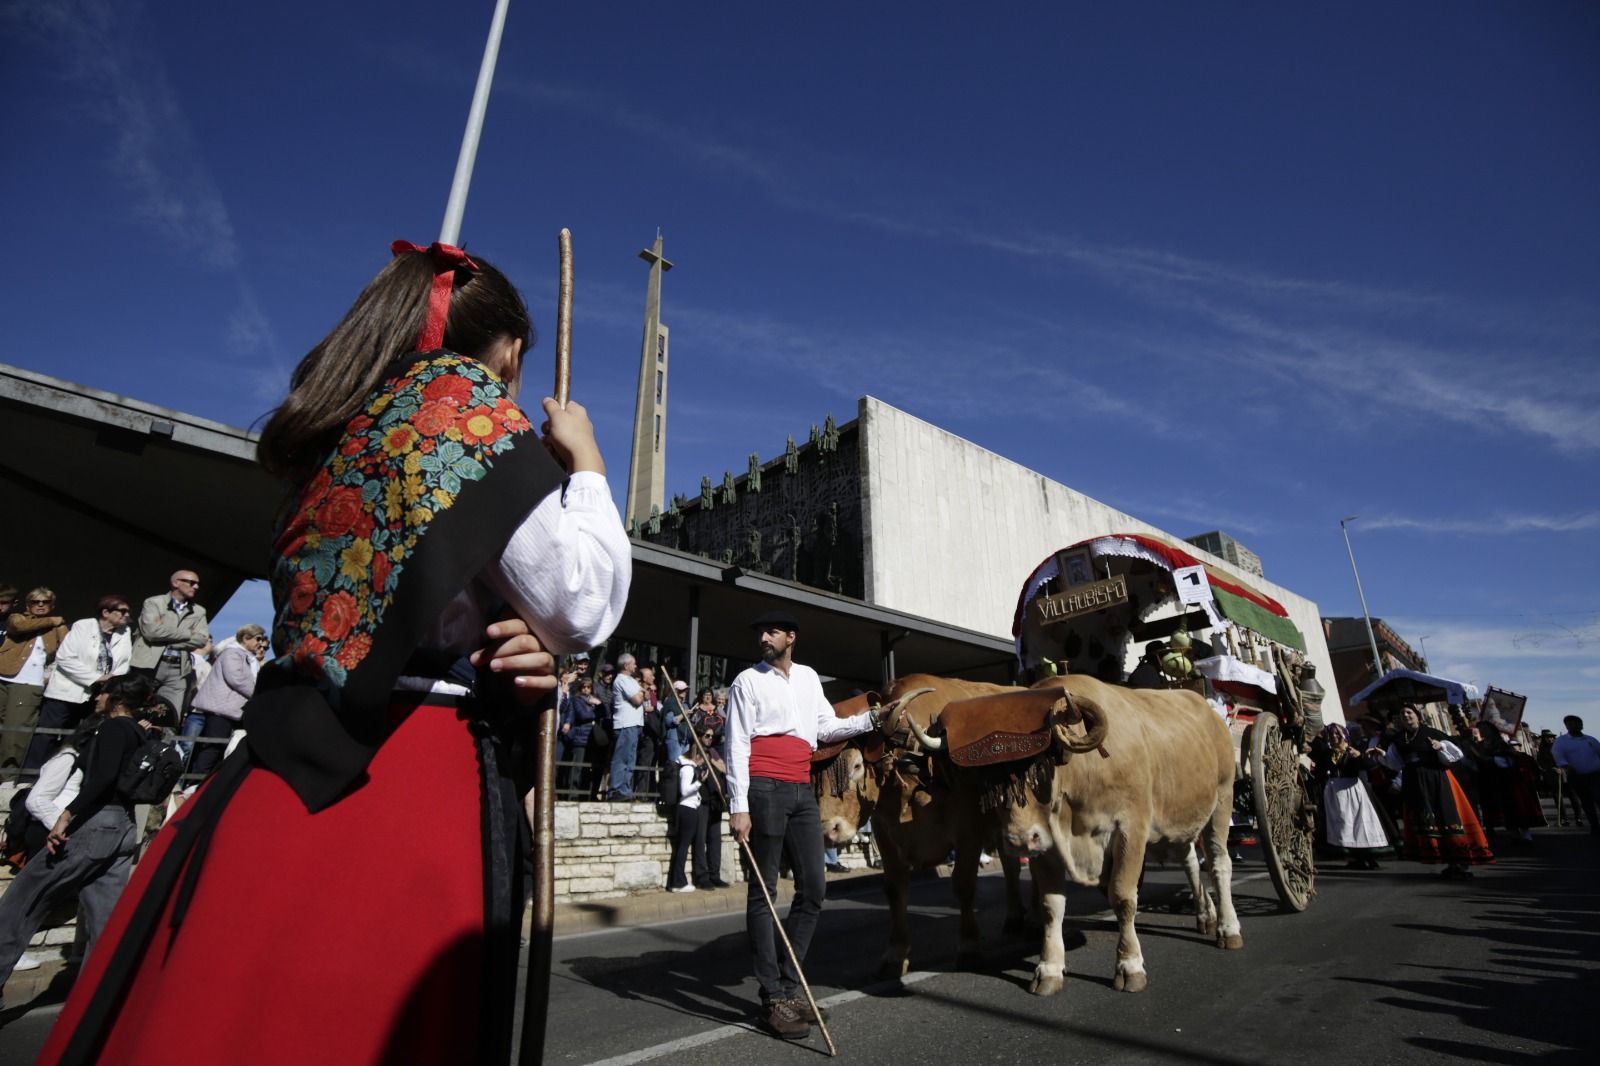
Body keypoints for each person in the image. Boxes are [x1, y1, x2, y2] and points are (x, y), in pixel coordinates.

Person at [35, 239, 630, 1064]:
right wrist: (587, 458)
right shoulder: (460, 406)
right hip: (398, 779)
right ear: (511, 349)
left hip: (272, 773)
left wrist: (524, 656)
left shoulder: (351, 425)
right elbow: (581, 601)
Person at [726, 609, 879, 1041]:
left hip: (800, 788)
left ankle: (792, 987)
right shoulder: (747, 681)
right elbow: (736, 742)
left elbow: (825, 728)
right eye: (760, 631)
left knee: (814, 887)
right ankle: (773, 995)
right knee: (764, 889)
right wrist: (739, 805)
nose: (763, 638)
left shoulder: (810, 678)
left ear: (790, 636)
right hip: (763, 787)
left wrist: (870, 721)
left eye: (770, 631)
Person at [0, 676, 168, 1008]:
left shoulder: (113, 728)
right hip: (123, 829)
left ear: (117, 698)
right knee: (105, 923)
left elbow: (103, 778)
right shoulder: (139, 731)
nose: (96, 698)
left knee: (21, 903)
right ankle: (94, 1004)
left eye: (101, 692)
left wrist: (66, 815)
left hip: (94, 822)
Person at [1374, 705, 1495, 878]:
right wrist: (1381, 755)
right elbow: (1396, 764)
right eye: (1402, 713)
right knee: (1431, 823)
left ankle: (1463, 863)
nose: (1406, 715)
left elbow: (1456, 754)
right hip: (1416, 784)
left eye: (1409, 712)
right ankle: (1450, 863)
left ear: (1418, 716)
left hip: (1437, 780)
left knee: (1447, 818)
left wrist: (1440, 747)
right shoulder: (1400, 739)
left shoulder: (1432, 733)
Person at [22, 596, 133, 772]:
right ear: (105, 612)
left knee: (76, 737)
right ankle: (30, 775)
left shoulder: (124, 632)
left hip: (95, 694)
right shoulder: (84, 626)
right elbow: (65, 657)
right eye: (122, 611)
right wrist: (95, 677)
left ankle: (58, 774)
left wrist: (111, 683)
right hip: (66, 690)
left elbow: (124, 663)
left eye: (128, 612)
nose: (126, 615)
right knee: (47, 734)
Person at [184, 625, 268, 783]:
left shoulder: (248, 658)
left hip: (232, 711)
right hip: (221, 709)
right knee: (212, 747)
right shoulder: (232, 653)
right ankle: (195, 783)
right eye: (258, 639)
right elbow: (237, 679)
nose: (260, 643)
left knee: (222, 747)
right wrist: (258, 695)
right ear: (246, 638)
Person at [0, 587, 69, 772]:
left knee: (15, 732)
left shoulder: (59, 628)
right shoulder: (17, 618)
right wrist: (52, 620)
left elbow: (65, 651)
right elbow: (18, 627)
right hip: (2, 676)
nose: (40, 605)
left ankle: (7, 777)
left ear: (52, 605)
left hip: (29, 683)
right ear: (27, 605)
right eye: (35, 602)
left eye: (45, 602)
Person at [128, 570, 210, 715]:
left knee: (170, 715)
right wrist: (188, 633)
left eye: (198, 583)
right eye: (191, 582)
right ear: (175, 583)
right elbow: (152, 632)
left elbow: (201, 639)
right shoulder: (153, 603)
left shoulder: (199, 611)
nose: (196, 587)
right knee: (137, 708)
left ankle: (164, 738)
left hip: (179, 668)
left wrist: (167, 640)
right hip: (149, 665)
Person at [1319, 723, 1391, 869]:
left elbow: (1368, 765)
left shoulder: (1351, 751)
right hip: (1335, 793)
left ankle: (1368, 856)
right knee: (1345, 824)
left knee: (1360, 822)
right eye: (1331, 734)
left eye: (1337, 734)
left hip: (1353, 791)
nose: (1334, 737)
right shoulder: (1329, 754)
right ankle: (1355, 856)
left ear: (1344, 735)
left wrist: (1359, 757)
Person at [666, 746, 708, 892]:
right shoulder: (688, 769)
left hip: (690, 808)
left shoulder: (689, 768)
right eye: (702, 758)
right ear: (696, 756)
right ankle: (677, 882)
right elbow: (684, 790)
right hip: (687, 809)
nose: (703, 762)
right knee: (683, 846)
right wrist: (699, 782)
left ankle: (678, 880)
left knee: (683, 846)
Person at [1552, 715, 1600, 834]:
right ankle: (1595, 825)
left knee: (1599, 797)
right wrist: (1566, 765)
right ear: (1566, 726)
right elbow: (1558, 755)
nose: (1574, 726)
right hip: (1577, 775)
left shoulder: (1590, 740)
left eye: (1577, 723)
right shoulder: (1561, 741)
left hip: (1596, 774)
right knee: (1586, 801)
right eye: (1570, 724)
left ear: (1581, 725)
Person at [608, 653, 645, 800]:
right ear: (626, 665)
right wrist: (642, 693)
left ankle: (625, 789)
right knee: (621, 758)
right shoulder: (621, 680)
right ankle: (616, 789)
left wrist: (642, 693)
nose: (635, 666)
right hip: (625, 724)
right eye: (633, 663)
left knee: (630, 759)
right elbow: (637, 699)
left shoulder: (631, 681)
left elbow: (645, 695)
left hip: (634, 724)